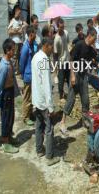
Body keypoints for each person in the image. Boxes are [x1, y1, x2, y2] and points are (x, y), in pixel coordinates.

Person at [60, 28, 98, 134]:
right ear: (89, 36)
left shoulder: (90, 49)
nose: (94, 42)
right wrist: (72, 75)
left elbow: (95, 61)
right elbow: (71, 59)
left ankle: (84, 121)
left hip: (84, 75)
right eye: (94, 39)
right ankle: (62, 122)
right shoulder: (79, 45)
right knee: (71, 99)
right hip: (75, 74)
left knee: (85, 100)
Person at [32, 37, 60, 166]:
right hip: (43, 101)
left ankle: (39, 150)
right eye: (51, 47)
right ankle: (49, 156)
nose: (52, 50)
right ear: (47, 46)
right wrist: (51, 107)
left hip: (37, 99)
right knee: (49, 128)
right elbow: (47, 86)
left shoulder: (35, 57)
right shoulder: (43, 60)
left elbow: (36, 81)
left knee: (38, 125)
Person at [0, 39, 20, 153]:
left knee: (11, 116)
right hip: (5, 94)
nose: (14, 51)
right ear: (7, 50)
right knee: (6, 118)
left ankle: (9, 136)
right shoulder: (3, 66)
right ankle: (5, 142)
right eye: (13, 49)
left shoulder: (10, 61)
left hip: (10, 92)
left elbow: (13, 78)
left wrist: (16, 91)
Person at [20, 26, 38, 126]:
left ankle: (30, 114)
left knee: (32, 97)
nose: (36, 35)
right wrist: (23, 75)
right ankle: (25, 117)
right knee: (27, 97)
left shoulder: (32, 45)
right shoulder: (25, 47)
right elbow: (22, 64)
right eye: (34, 33)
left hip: (32, 75)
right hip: (27, 76)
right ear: (31, 34)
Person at [53, 18, 70, 102]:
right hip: (61, 62)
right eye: (60, 27)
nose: (62, 28)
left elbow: (68, 44)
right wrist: (56, 68)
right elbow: (55, 55)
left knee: (69, 78)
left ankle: (71, 94)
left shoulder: (66, 33)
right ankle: (61, 96)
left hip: (67, 60)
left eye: (63, 27)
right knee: (61, 80)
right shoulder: (56, 39)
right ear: (57, 27)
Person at [8, 6, 28, 74]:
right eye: (18, 13)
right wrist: (17, 31)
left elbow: (26, 25)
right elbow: (9, 31)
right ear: (15, 12)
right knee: (14, 56)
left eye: (20, 13)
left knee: (20, 56)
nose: (19, 14)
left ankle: (18, 71)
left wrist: (23, 23)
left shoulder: (20, 20)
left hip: (21, 42)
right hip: (15, 41)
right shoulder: (12, 20)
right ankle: (12, 71)